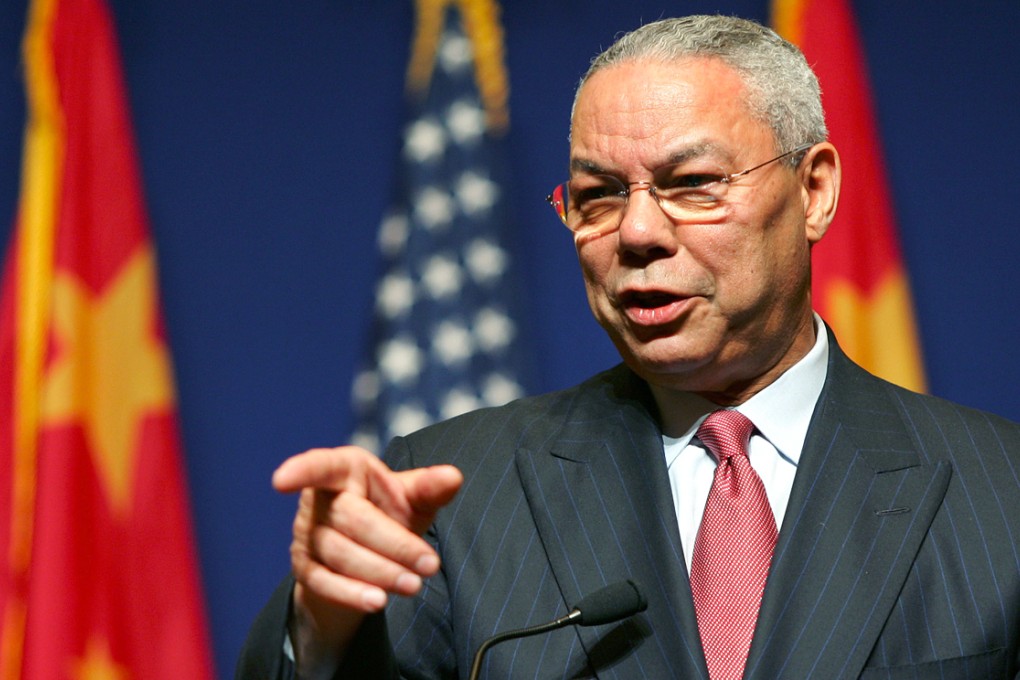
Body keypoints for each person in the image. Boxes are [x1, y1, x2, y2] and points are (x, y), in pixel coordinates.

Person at [237, 15, 1020, 680]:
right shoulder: (447, 497)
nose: (637, 232)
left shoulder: (1002, 496)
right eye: (600, 195)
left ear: (813, 191)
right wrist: (321, 630)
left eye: (692, 183)